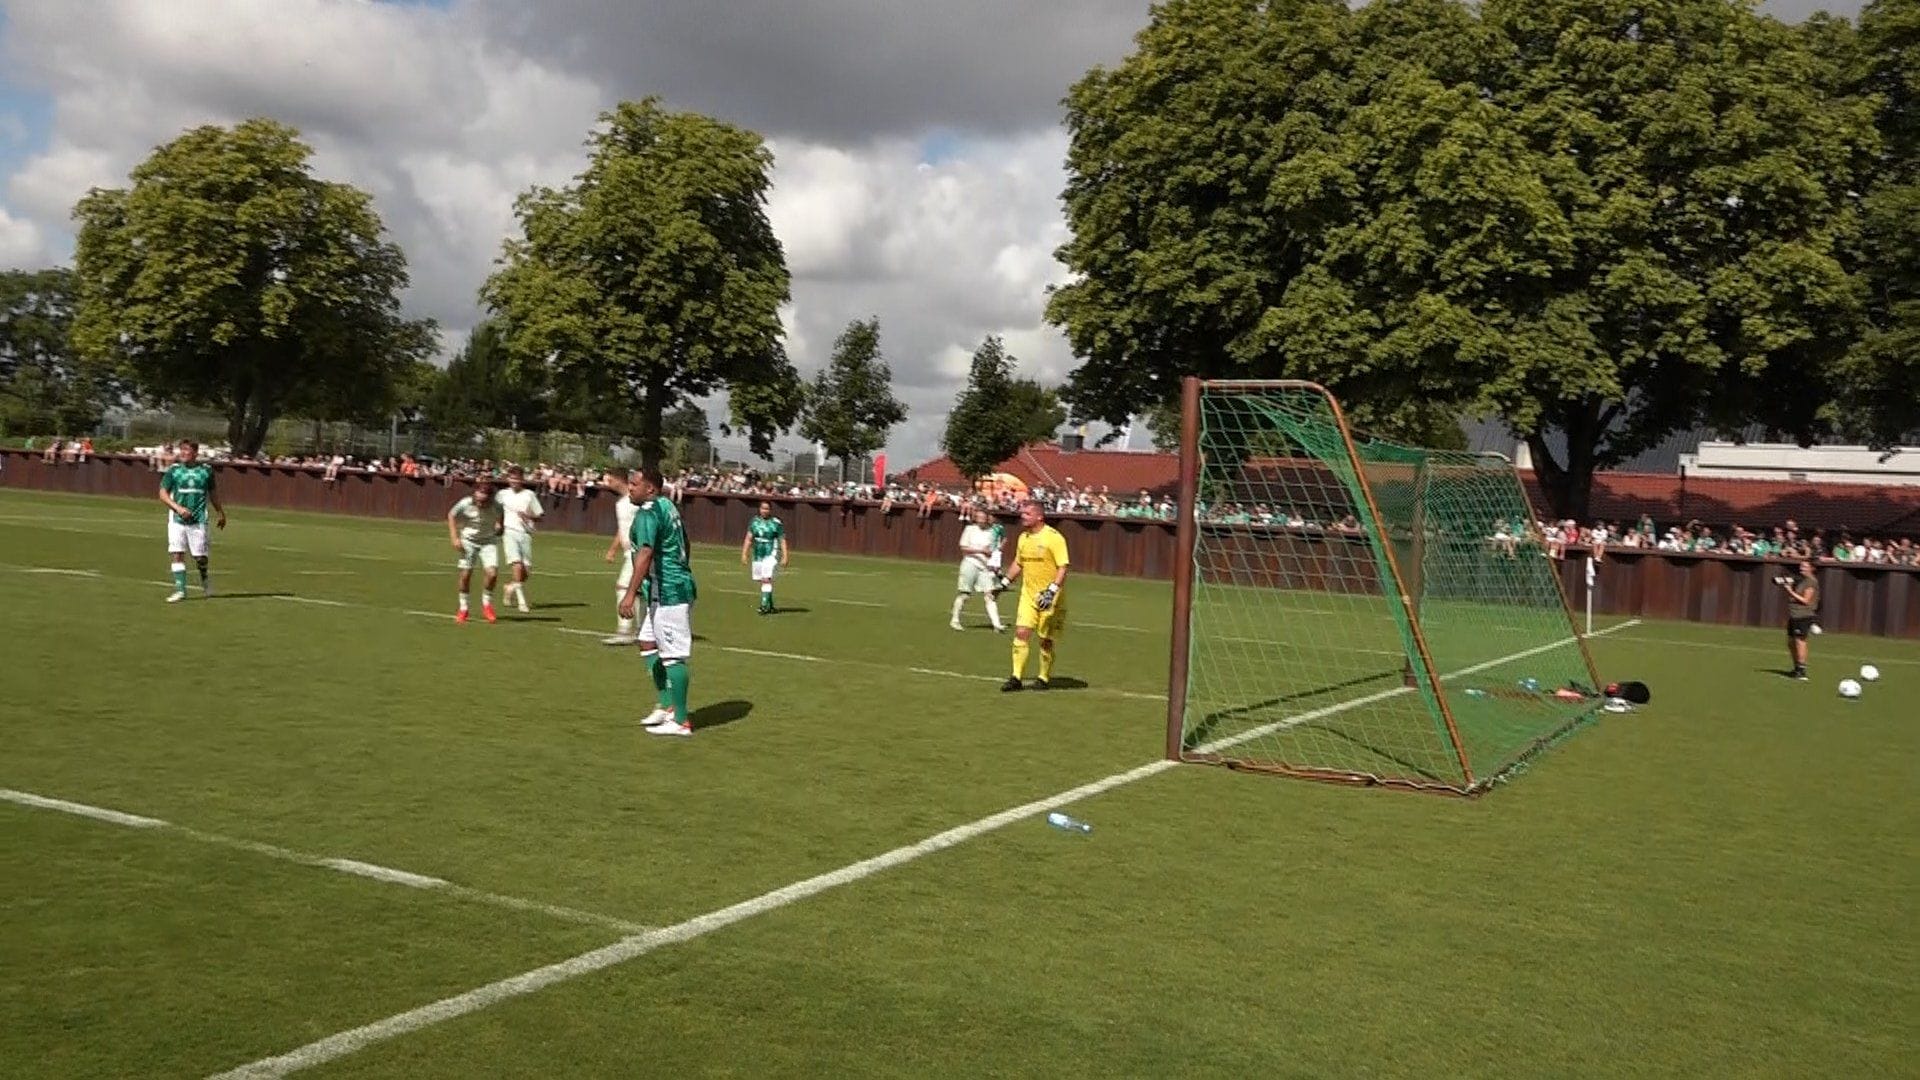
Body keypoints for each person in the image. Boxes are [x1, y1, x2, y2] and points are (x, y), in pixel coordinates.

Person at [619, 467, 699, 737]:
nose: (630, 488)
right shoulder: (668, 505)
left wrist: (630, 593)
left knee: (673, 656)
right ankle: (667, 706)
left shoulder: (649, 511)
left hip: (670, 592)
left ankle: (681, 721)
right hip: (663, 589)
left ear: (650, 489)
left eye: (634, 484)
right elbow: (685, 540)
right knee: (647, 642)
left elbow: (646, 552)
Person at [1001, 499, 1069, 691]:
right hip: (1028, 595)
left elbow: (1063, 567)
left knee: (1045, 639)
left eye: (1027, 514)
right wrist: (1004, 582)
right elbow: (1018, 563)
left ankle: (1043, 677)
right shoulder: (1023, 538)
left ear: (1039, 516)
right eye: (1022, 513)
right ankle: (1016, 677)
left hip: (1050, 597)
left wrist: (1052, 591)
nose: (1023, 516)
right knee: (1021, 632)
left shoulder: (1054, 538)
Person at [158, 439, 226, 602]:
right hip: (177, 520)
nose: (182, 453)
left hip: (199, 519)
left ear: (195, 453)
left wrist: (220, 512)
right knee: (177, 553)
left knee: (200, 557)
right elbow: (162, 494)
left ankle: (204, 578)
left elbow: (213, 492)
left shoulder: (206, 471)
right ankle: (181, 590)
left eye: (186, 450)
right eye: (181, 450)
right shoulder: (174, 471)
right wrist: (178, 508)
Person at [446, 478, 504, 623]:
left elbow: (501, 517)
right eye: (478, 500)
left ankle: (486, 604)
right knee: (466, 575)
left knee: (492, 573)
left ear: (490, 498)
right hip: (468, 541)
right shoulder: (465, 503)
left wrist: (499, 525)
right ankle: (463, 608)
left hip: (488, 541)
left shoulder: (497, 506)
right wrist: (454, 538)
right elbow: (451, 515)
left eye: (483, 501)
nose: (480, 503)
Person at [496, 465, 544, 612]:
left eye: (517, 479)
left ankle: (510, 587)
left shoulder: (529, 495)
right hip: (509, 532)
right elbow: (495, 510)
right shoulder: (502, 494)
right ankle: (522, 602)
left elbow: (540, 515)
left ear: (522, 479)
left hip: (525, 534)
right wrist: (498, 523)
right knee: (516, 565)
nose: (514, 481)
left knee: (526, 571)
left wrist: (528, 516)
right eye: (511, 478)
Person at [952, 506, 1005, 632]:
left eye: (983, 517)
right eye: (978, 517)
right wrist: (980, 550)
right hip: (970, 563)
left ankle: (997, 624)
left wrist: (992, 558)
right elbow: (964, 548)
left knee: (989, 595)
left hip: (984, 567)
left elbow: (992, 549)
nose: (981, 520)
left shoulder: (991, 532)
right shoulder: (969, 529)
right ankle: (955, 620)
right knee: (965, 594)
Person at [602, 471, 641, 644]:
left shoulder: (636, 502)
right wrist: (613, 549)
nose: (606, 483)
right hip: (629, 553)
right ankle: (641, 630)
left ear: (618, 480)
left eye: (609, 479)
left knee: (623, 588)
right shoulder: (621, 503)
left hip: (638, 552)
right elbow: (623, 528)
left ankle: (625, 631)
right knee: (638, 593)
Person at [741, 500, 789, 614]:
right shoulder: (754, 522)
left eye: (767, 509)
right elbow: (748, 538)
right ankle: (770, 605)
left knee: (766, 578)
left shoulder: (776, 523)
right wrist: (744, 553)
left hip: (771, 553)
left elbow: (782, 540)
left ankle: (763, 606)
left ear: (770, 510)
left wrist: (785, 556)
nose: (764, 511)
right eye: (763, 508)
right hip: (758, 554)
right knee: (762, 580)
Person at [1782, 559, 1819, 681]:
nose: (1801, 568)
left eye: (1804, 566)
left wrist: (1790, 591)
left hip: (1803, 615)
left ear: (1811, 568)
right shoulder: (1801, 580)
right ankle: (1796, 667)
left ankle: (1802, 670)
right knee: (1791, 642)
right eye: (1801, 565)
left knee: (1800, 642)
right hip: (1794, 615)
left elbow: (1806, 600)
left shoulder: (1811, 582)